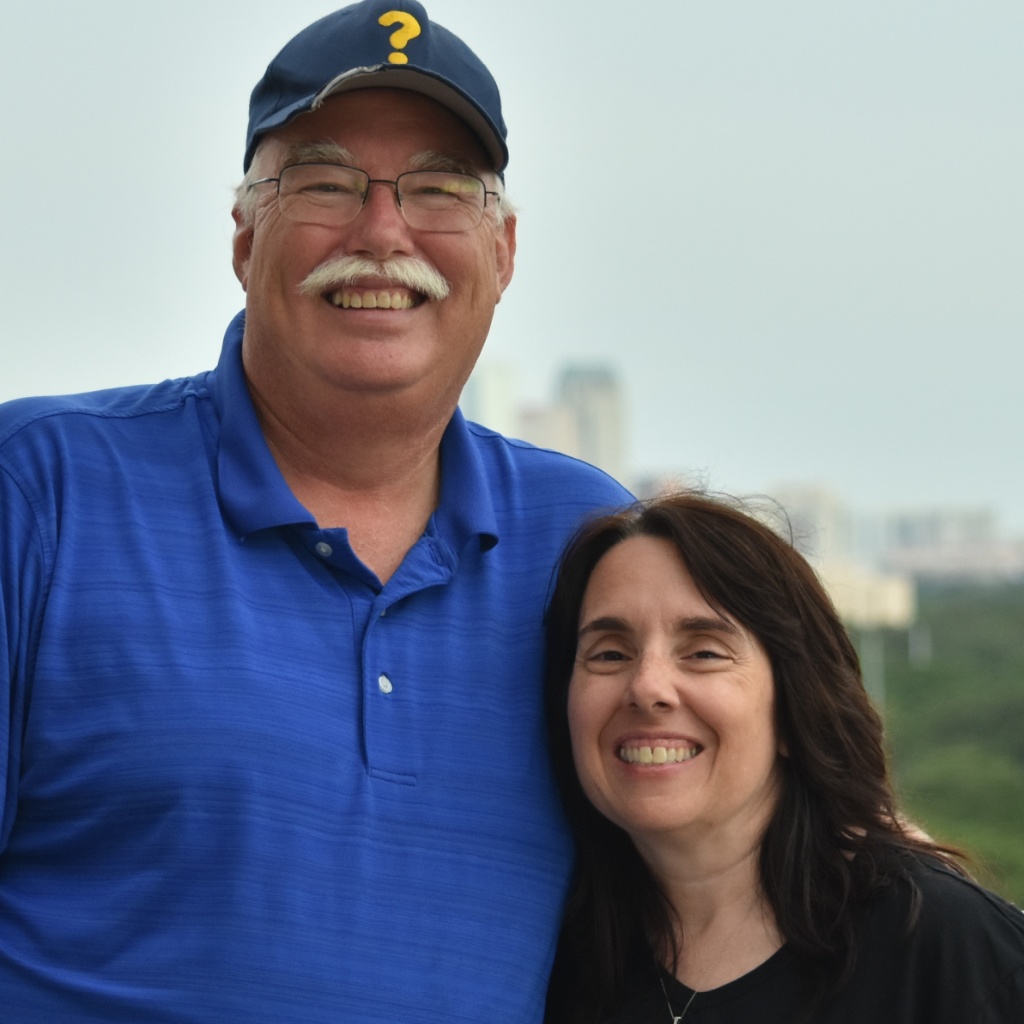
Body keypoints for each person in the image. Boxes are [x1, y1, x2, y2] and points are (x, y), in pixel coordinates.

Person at [0, 3, 630, 1021]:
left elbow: (750, 851)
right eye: (326, 183)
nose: (382, 234)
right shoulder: (39, 491)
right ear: (245, 233)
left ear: (503, 251)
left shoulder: (593, 544)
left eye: (438, 189)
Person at [543, 492, 1024, 1023]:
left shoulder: (943, 947)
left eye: (704, 652)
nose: (647, 686)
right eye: (609, 653)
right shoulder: (550, 966)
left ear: (795, 709)